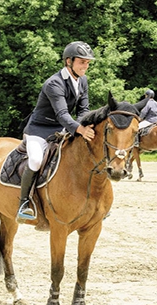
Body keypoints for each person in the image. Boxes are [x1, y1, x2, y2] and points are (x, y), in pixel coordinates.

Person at [17, 41, 96, 222]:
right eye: (82, 62)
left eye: (88, 62)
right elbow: (62, 114)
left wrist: (85, 125)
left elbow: (83, 110)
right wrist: (79, 129)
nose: (86, 66)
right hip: (39, 129)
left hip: (62, 128)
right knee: (36, 160)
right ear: (69, 61)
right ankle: (24, 203)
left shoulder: (82, 80)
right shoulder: (54, 83)